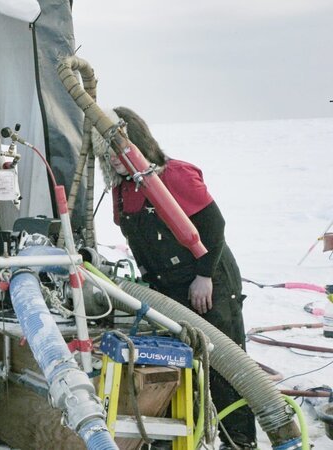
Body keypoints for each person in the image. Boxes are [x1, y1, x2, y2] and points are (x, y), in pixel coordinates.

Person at [95, 106, 256, 449]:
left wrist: (204, 276)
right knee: (185, 361)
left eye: (116, 154)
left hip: (208, 279)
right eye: (105, 157)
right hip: (166, 286)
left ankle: (239, 440)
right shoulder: (123, 190)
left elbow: (215, 228)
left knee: (224, 362)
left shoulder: (175, 176)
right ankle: (192, 430)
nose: (112, 162)